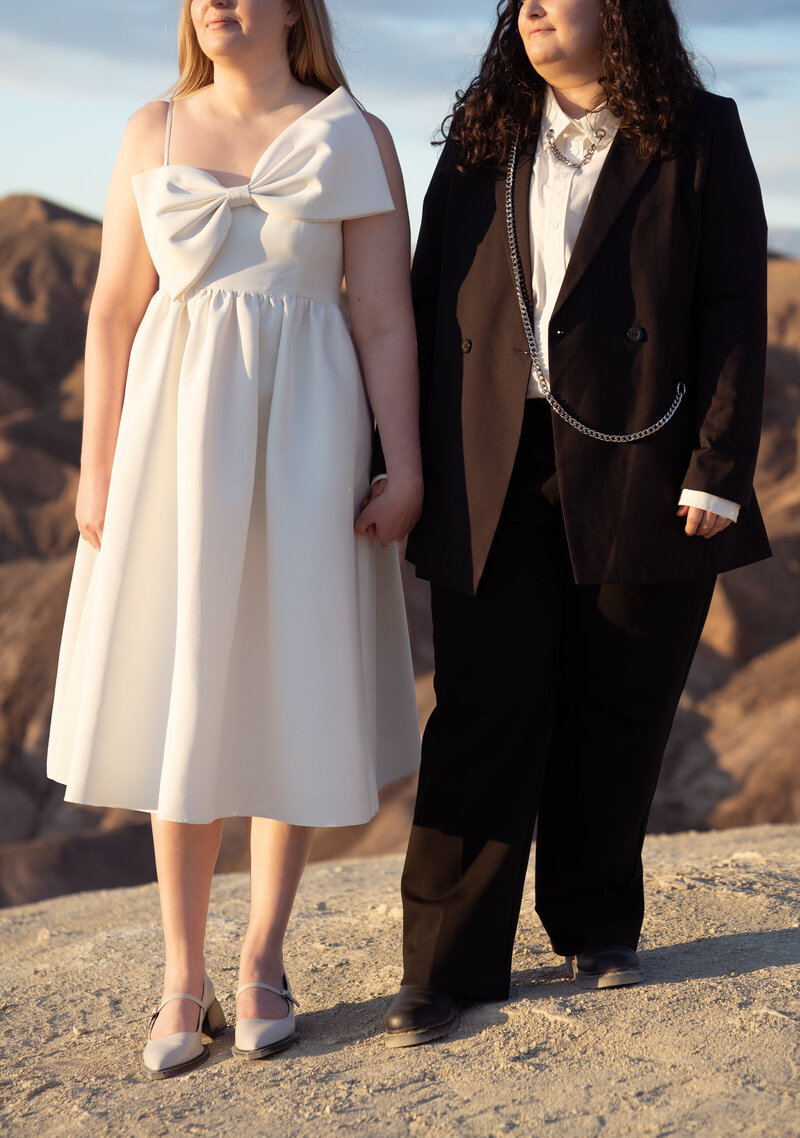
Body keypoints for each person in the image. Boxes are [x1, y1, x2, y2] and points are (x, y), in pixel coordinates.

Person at [46, 0, 422, 1078]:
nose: (220, 3)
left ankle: (262, 958)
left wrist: (404, 462)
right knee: (187, 692)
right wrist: (97, 463)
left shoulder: (356, 133)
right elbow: (115, 311)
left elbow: (384, 314)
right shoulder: (151, 129)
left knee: (288, 680)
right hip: (174, 445)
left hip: (310, 435)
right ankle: (181, 972)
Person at [385, 0, 770, 1048]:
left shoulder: (697, 132)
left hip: (643, 462)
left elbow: (735, 306)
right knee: (480, 708)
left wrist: (716, 468)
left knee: (619, 703)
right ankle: (444, 969)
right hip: (488, 464)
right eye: (519, 0)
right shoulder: (480, 141)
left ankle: (595, 926)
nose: (532, 9)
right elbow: (425, 303)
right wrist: (398, 458)